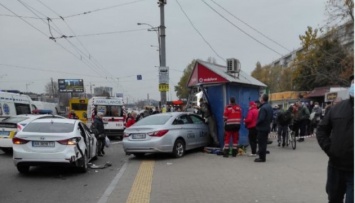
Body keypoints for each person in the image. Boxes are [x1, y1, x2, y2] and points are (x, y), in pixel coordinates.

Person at [316, 75, 354, 203]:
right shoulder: (337, 108)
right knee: (333, 198)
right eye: (353, 82)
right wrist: (329, 148)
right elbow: (321, 130)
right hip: (336, 167)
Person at [254, 94, 273, 162]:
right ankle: (263, 157)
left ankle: (261, 158)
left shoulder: (263, 108)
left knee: (261, 143)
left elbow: (261, 118)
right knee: (264, 143)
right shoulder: (269, 107)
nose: (260, 99)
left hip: (262, 128)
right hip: (266, 127)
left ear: (262, 99)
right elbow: (271, 118)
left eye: (260, 97)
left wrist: (256, 123)